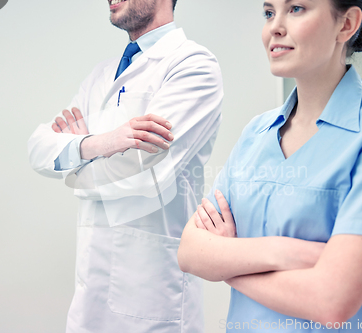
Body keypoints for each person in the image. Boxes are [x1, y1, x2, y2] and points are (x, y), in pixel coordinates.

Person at [178, 0, 362, 332]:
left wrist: (228, 264)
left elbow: (330, 302)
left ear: (347, 24)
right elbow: (191, 252)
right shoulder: (256, 132)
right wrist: (288, 251)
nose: (275, 27)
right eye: (269, 13)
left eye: (296, 9)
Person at [27, 0, 223, 332]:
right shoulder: (101, 75)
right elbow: (38, 149)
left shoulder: (193, 65)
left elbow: (144, 173)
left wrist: (73, 158)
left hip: (153, 296)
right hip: (90, 293)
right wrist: (101, 143)